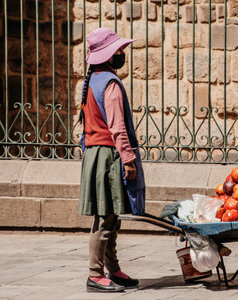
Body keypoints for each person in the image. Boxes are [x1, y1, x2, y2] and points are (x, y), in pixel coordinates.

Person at [78, 27, 145, 293]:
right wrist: (128, 160)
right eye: (118, 50)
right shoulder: (110, 84)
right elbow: (117, 127)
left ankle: (113, 269)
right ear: (108, 55)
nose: (122, 53)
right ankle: (95, 274)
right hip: (107, 156)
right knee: (105, 219)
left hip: (96, 155)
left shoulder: (92, 80)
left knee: (111, 216)